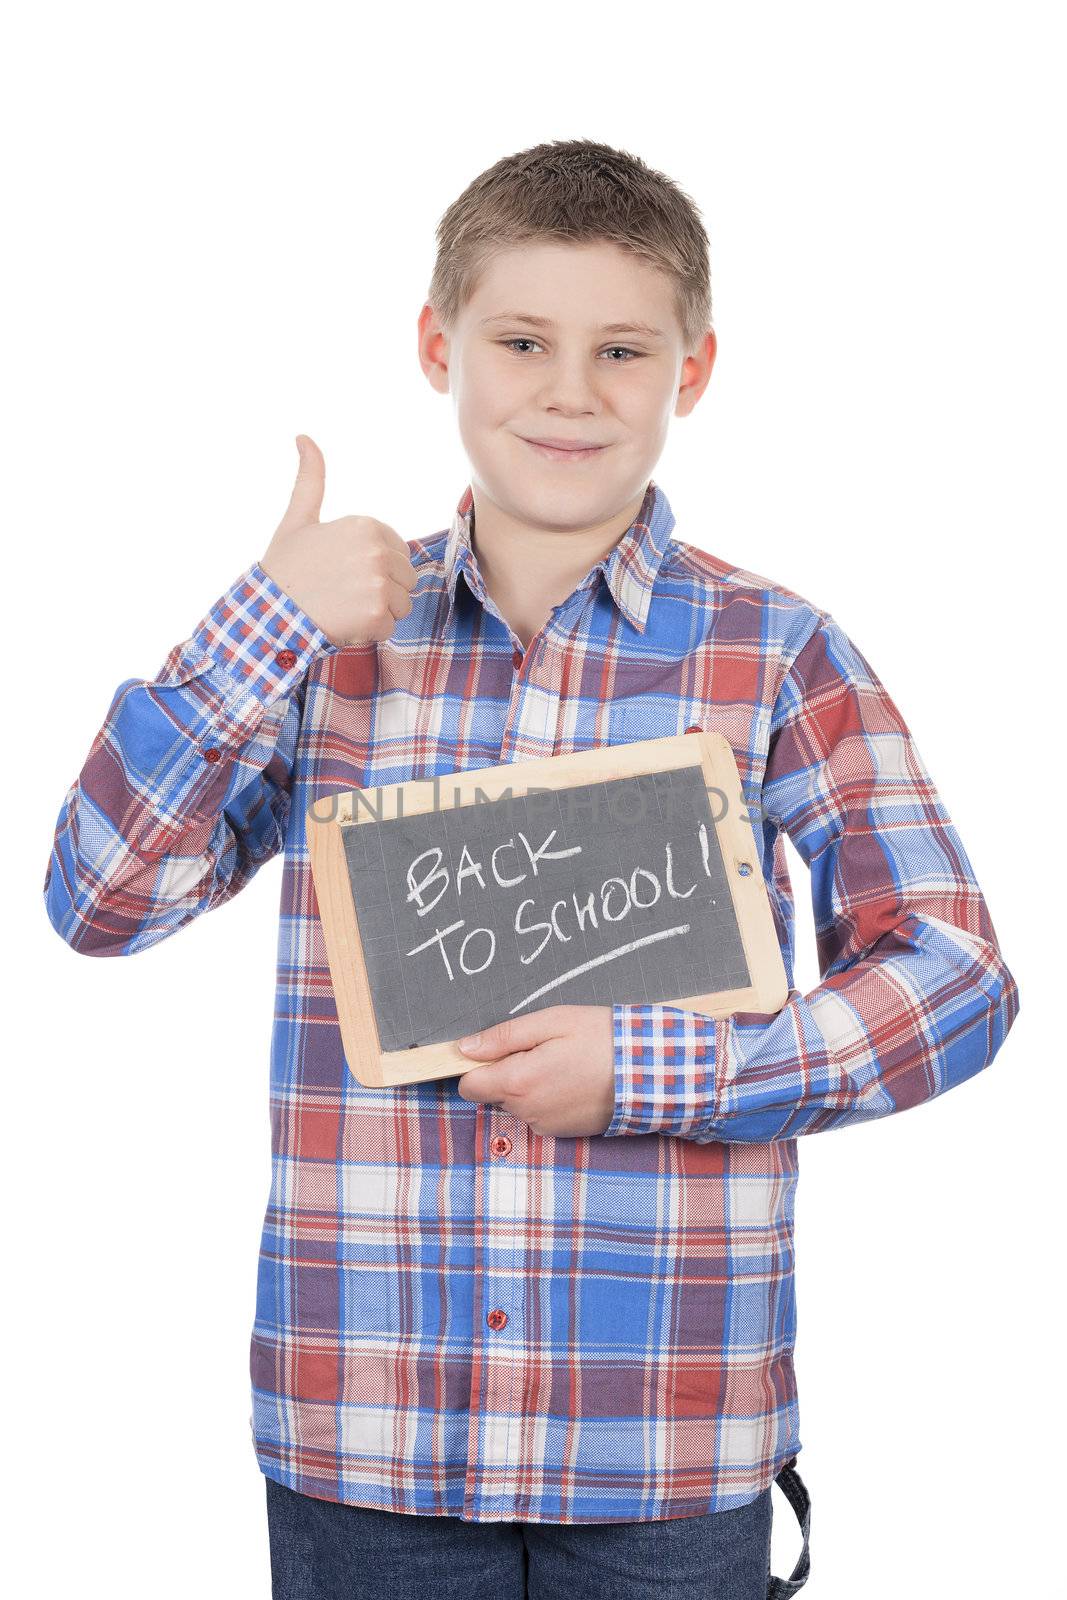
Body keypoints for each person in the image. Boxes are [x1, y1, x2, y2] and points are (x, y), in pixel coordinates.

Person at [42, 137, 1019, 1600]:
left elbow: (957, 977)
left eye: (622, 349)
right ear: (441, 348)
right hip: (367, 1431)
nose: (571, 391)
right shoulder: (320, 649)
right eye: (521, 340)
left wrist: (658, 1075)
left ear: (690, 373)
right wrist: (258, 623)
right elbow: (99, 901)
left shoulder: (777, 654)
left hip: (663, 1447)